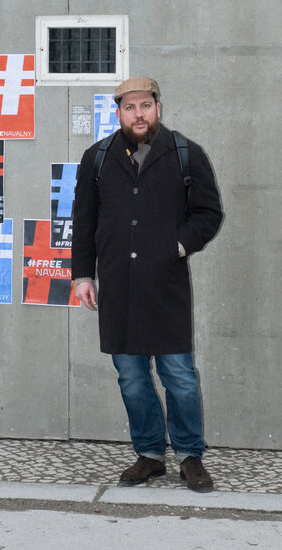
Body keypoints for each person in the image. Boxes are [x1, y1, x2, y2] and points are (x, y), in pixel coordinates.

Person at [72, 77, 224, 492]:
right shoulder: (97, 157)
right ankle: (150, 454)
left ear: (158, 107)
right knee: (132, 376)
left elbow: (209, 214)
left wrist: (177, 245)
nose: (138, 114)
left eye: (145, 105)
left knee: (179, 374)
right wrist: (83, 275)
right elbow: (83, 221)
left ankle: (191, 456)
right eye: (129, 107)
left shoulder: (185, 153)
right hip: (118, 286)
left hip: (166, 283)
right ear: (118, 112)